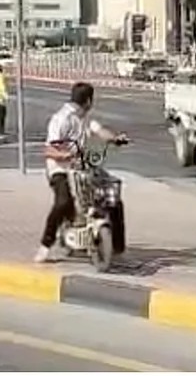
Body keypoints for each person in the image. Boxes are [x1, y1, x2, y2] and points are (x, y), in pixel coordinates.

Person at [35, 82, 128, 263]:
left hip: (82, 167)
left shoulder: (84, 118)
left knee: (112, 197)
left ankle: (117, 248)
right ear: (88, 101)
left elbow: (100, 131)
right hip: (60, 169)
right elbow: (48, 150)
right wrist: (65, 155)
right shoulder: (61, 119)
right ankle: (45, 245)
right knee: (63, 202)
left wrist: (116, 139)